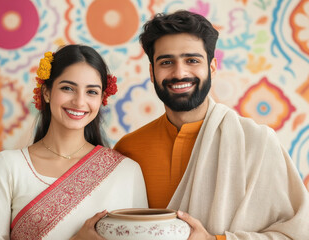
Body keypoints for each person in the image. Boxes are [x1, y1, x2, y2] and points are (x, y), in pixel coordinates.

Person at [114, 10, 309, 240]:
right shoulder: (128, 150)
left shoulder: (257, 143)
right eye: (166, 62)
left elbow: (296, 234)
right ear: (151, 71)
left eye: (192, 60)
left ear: (212, 67)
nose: (179, 73)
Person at [0, 44, 148, 239]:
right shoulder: (7, 167)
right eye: (67, 88)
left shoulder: (126, 171)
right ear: (46, 92)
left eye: (91, 92)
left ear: (101, 99)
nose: (79, 102)